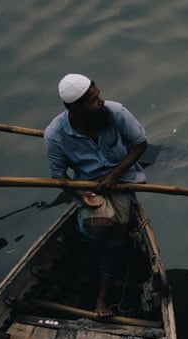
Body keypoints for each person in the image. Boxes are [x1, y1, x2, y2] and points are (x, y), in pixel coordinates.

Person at [44, 73, 148, 318]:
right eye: (93, 101)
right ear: (75, 108)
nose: (101, 101)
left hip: (122, 182)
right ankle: (101, 253)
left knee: (117, 229)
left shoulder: (117, 113)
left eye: (98, 95)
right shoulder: (54, 135)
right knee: (99, 227)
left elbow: (140, 144)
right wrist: (80, 193)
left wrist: (114, 174)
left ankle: (104, 279)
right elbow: (59, 176)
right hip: (88, 185)